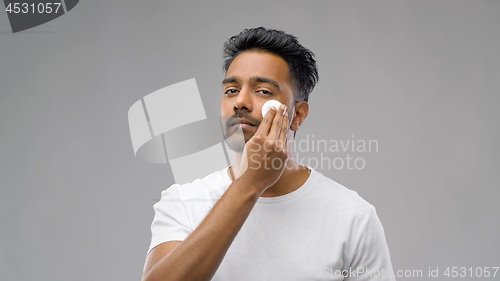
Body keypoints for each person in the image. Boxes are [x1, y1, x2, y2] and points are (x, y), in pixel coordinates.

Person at [141, 27, 396, 281]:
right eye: (231, 90)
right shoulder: (183, 203)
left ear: (298, 115)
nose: (240, 101)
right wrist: (251, 183)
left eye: (263, 91)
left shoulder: (353, 217)